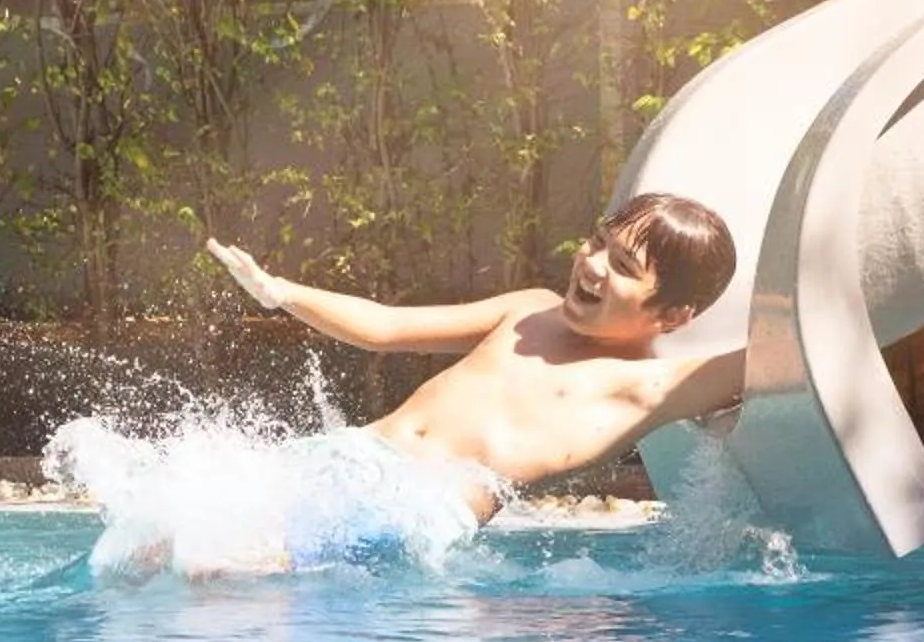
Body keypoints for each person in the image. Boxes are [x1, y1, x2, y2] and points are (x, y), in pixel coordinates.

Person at [187, 191, 737, 561]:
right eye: (598, 243)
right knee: (159, 544)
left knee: (234, 564)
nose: (593, 265)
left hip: (416, 507)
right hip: (351, 456)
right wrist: (281, 292)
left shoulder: (645, 386)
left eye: (623, 267)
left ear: (671, 316)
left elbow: (777, 358)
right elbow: (386, 326)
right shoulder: (530, 310)